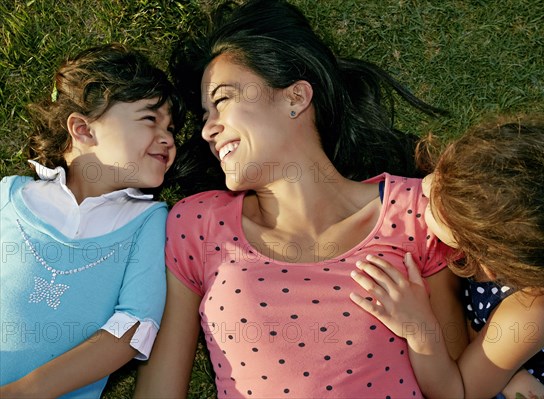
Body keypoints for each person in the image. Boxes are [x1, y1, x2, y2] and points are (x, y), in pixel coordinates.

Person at [134, 0, 467, 398]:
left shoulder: (417, 216)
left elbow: (460, 385)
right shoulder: (198, 225)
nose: (208, 130)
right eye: (205, 115)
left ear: (296, 97)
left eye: (222, 101)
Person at [350, 117, 544, 398]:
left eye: (437, 205)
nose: (426, 186)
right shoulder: (521, 227)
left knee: (519, 388)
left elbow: (458, 393)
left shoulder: (533, 310)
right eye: (443, 173)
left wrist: (419, 328)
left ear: (487, 256)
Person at [0, 43, 183, 398]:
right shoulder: (9, 196)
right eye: (150, 119)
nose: (168, 139)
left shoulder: (148, 220)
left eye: (172, 128)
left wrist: (24, 393)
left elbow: (133, 326)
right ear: (83, 130)